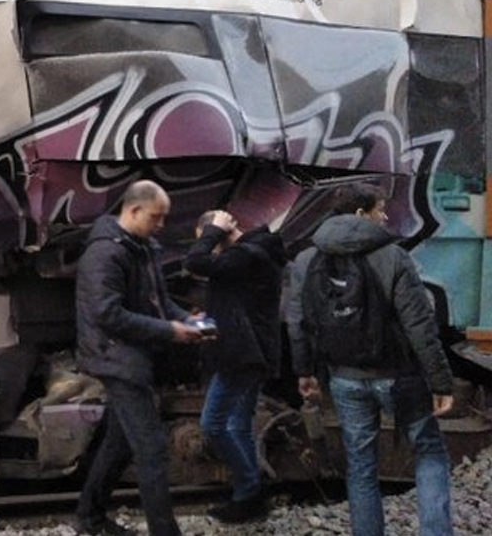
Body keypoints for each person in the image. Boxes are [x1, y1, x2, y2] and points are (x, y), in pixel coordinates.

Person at [286, 182, 455, 536]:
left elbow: (298, 322)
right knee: (428, 451)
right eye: (381, 209)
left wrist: (305, 371)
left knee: (361, 464)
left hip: (344, 377)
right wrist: (441, 382)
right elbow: (419, 325)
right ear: (362, 213)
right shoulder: (393, 257)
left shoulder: (306, 259)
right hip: (398, 376)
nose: (385, 216)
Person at [74, 179, 209, 536]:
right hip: (116, 358)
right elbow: (107, 314)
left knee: (118, 443)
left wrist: (187, 320)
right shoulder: (105, 254)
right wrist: (169, 331)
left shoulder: (141, 246)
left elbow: (159, 302)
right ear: (133, 210)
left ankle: (89, 519)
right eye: (156, 217)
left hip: (130, 355)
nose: (161, 224)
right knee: (152, 449)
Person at [183, 209, 287, 523]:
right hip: (251, 352)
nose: (210, 248)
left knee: (212, 424)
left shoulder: (247, 255)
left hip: (242, 355)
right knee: (239, 426)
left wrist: (213, 230)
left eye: (210, 241)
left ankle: (251, 490)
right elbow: (237, 302)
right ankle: (248, 497)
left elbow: (195, 262)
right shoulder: (253, 254)